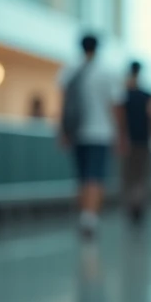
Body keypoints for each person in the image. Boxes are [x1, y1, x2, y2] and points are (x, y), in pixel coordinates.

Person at [59, 35, 124, 238]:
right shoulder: (106, 72)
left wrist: (63, 130)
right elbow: (114, 106)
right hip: (100, 133)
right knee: (95, 176)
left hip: (77, 132)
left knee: (81, 176)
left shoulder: (69, 70)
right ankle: (90, 218)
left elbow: (63, 103)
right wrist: (121, 133)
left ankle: (83, 215)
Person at [118, 61, 151, 224]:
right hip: (144, 141)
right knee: (141, 176)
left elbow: (120, 118)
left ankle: (130, 207)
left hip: (128, 141)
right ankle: (140, 206)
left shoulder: (123, 95)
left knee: (128, 176)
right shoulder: (147, 96)